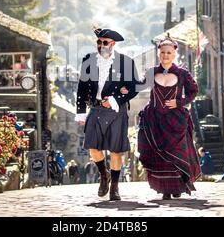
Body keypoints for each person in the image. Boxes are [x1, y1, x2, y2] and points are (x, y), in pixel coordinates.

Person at [75, 27, 140, 201]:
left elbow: (134, 88)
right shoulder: (88, 60)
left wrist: (115, 98)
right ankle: (104, 175)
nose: (101, 45)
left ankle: (115, 187)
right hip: (95, 109)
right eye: (98, 42)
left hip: (116, 112)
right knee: (93, 148)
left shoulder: (126, 62)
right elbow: (81, 88)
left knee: (116, 151)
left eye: (104, 42)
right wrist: (81, 112)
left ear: (112, 44)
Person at [136, 36, 201, 200]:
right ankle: (165, 189)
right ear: (159, 53)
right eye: (163, 52)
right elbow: (139, 86)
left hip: (175, 120)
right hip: (155, 119)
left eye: (169, 52)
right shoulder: (152, 72)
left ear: (174, 54)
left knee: (177, 154)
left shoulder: (182, 74)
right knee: (160, 156)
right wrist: (122, 88)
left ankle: (178, 185)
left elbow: (193, 91)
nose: (165, 55)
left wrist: (180, 102)